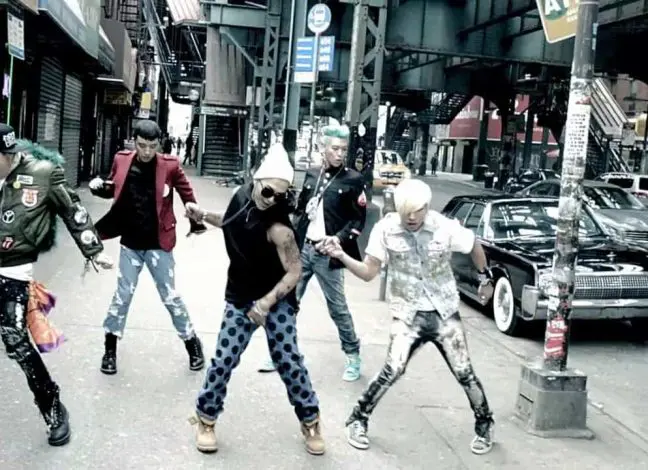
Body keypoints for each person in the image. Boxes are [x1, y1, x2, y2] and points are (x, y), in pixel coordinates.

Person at [319, 178, 496, 455]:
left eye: (417, 211)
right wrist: (341, 255)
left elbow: (474, 244)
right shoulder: (386, 229)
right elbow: (368, 273)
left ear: (427, 207)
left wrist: (485, 278)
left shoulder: (443, 226)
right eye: (405, 212)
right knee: (392, 369)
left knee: (464, 371)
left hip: (444, 312)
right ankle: (358, 419)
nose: (411, 218)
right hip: (408, 315)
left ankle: (485, 424)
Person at [186, 143, 325, 456]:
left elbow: (295, 272)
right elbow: (231, 220)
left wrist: (265, 303)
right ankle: (206, 419)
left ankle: (311, 420)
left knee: (288, 361)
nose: (272, 200)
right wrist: (203, 214)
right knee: (223, 359)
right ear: (256, 180)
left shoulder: (280, 229)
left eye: (280, 195)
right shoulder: (241, 196)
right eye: (268, 192)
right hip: (240, 294)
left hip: (276, 299)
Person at [0, 124, 113, 446]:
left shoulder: (43, 173)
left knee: (15, 340)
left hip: (13, 269)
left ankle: (52, 407)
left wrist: (93, 250)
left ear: (7, 155)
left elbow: (73, 209)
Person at [89, 119, 206, 376]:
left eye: (152, 146)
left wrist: (193, 210)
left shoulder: (170, 166)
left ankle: (192, 344)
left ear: (159, 144)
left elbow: (187, 193)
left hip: (158, 244)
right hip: (130, 242)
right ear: (134, 142)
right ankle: (110, 350)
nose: (146, 151)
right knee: (122, 297)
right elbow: (113, 189)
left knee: (171, 297)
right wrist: (99, 188)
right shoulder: (121, 160)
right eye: (142, 145)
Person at [258, 124, 367, 382]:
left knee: (338, 308)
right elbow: (299, 210)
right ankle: (280, 353)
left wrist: (338, 239)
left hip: (329, 253)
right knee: (288, 302)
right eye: (335, 149)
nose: (340, 154)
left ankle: (353, 355)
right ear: (323, 148)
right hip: (303, 249)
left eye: (343, 149)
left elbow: (358, 220)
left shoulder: (353, 180)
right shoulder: (312, 174)